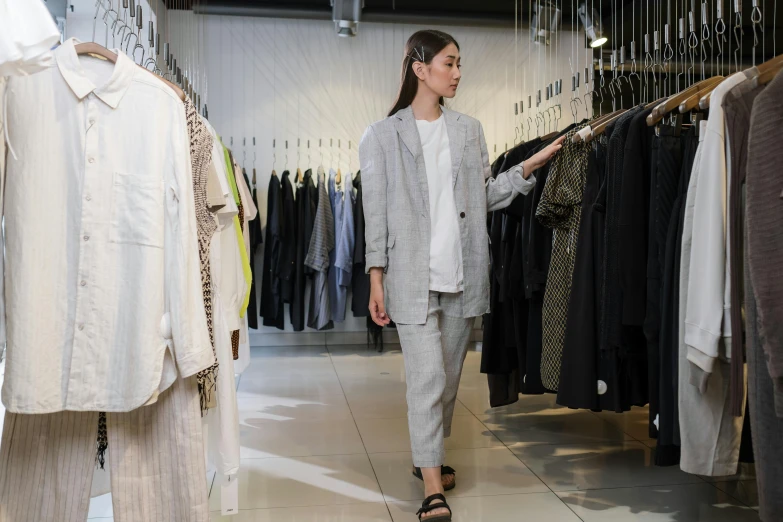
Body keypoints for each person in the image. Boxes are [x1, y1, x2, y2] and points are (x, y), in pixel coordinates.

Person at [359, 29, 564, 521]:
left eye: (459, 65)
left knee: (448, 382)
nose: (456, 73)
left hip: (462, 276)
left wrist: (529, 166)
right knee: (427, 380)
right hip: (410, 279)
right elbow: (376, 214)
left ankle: (424, 454)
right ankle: (432, 487)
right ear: (419, 67)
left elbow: (483, 196)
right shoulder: (382, 135)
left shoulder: (469, 130)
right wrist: (375, 278)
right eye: (449, 63)